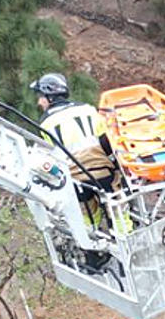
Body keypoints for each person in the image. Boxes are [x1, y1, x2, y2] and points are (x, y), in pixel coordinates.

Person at [29, 73, 129, 234]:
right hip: (103, 171)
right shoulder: (88, 109)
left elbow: (51, 155)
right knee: (118, 210)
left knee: (87, 214)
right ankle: (126, 238)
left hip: (75, 181)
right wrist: (116, 168)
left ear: (50, 97)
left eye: (41, 97)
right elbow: (106, 141)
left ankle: (94, 241)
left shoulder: (45, 123)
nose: (39, 102)